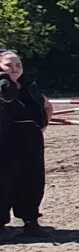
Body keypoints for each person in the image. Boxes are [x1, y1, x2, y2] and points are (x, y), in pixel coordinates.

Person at [0, 50, 51, 239]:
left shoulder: (30, 85)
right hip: (5, 140)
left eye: (18, 65)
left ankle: (31, 221)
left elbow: (46, 105)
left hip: (30, 140)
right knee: (4, 182)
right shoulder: (3, 84)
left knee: (32, 180)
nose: (14, 69)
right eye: (8, 65)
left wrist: (41, 126)